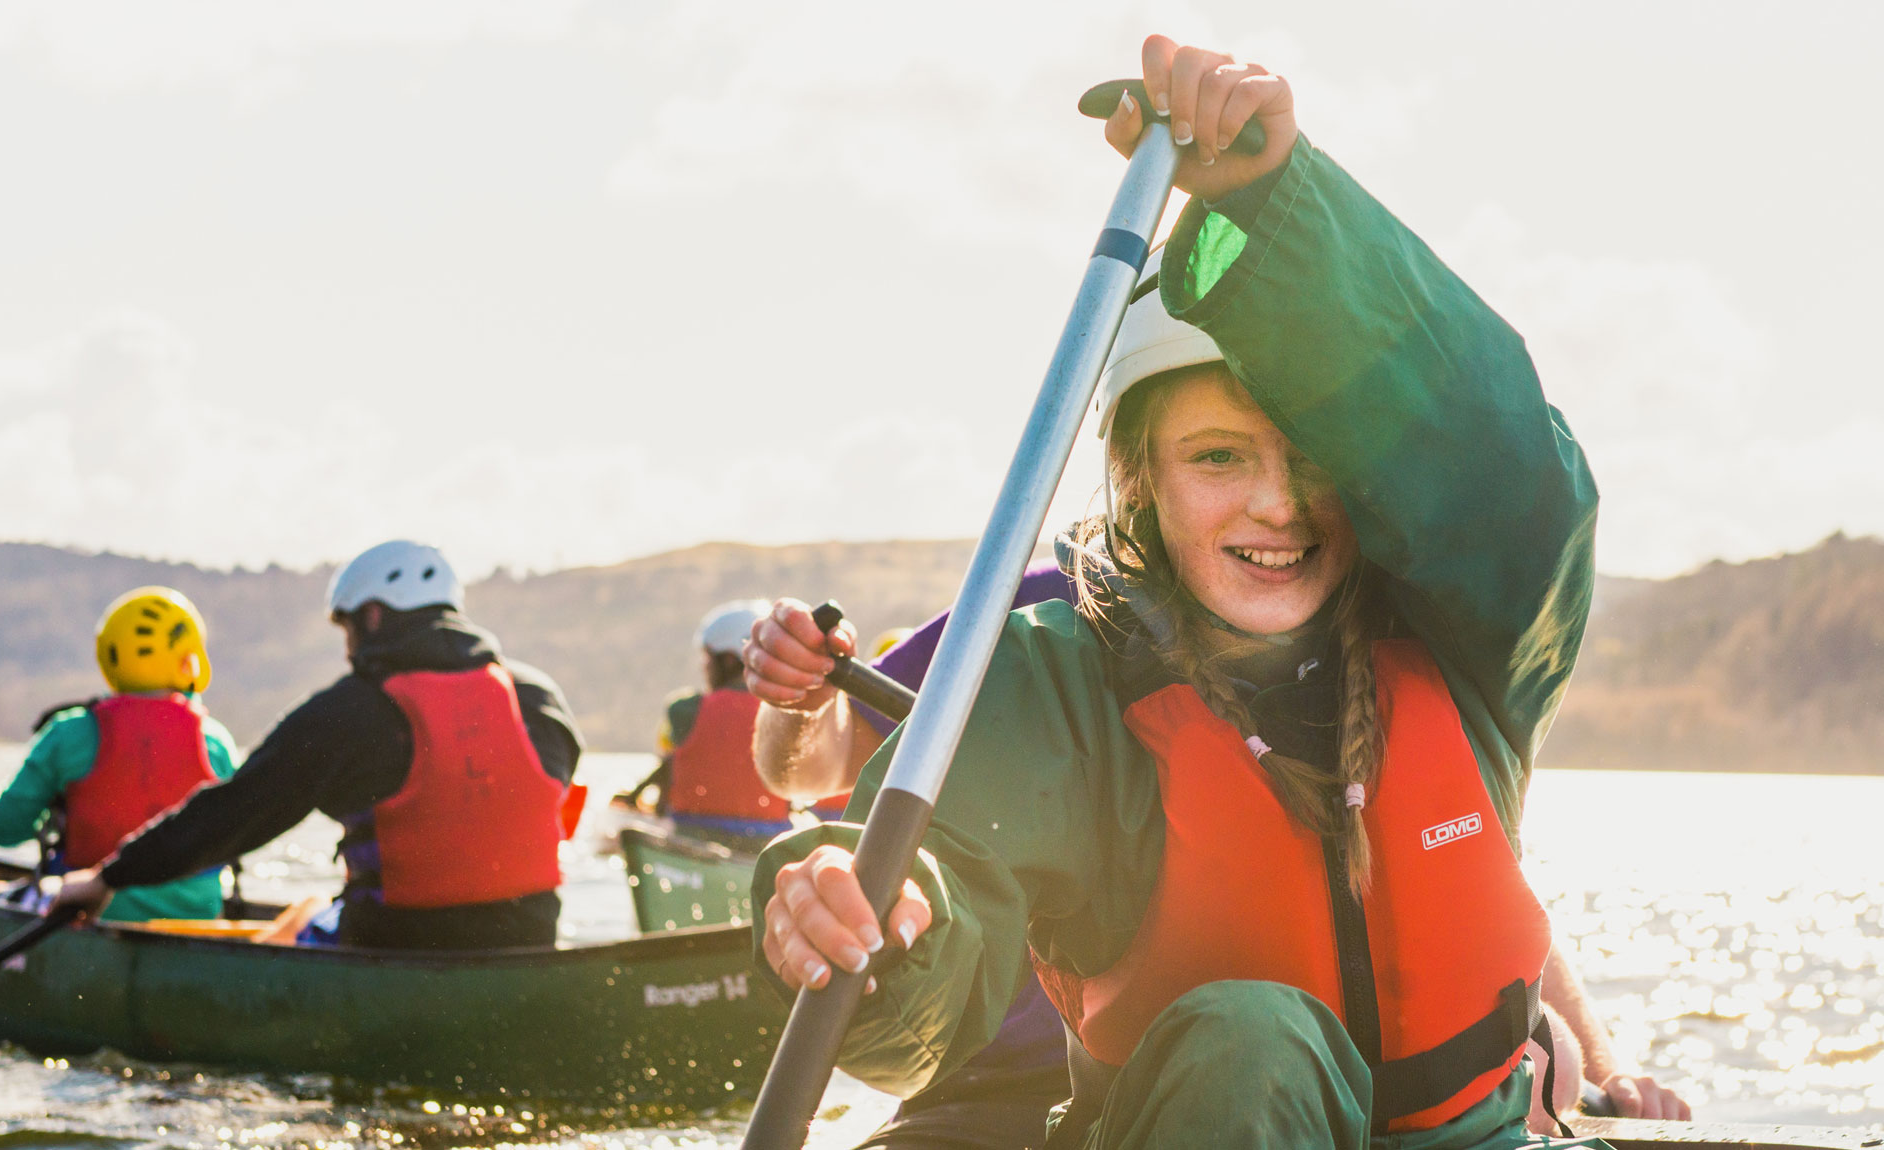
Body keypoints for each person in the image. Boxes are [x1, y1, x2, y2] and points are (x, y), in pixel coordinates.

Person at [755, 37, 1669, 1148]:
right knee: (1252, 1037)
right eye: (1220, 458)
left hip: (1475, 1133)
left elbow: (1512, 475)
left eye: (1316, 458)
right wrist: (888, 932)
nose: (1277, 506)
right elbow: (933, 955)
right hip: (1208, 1120)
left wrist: (1276, 207)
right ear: (1141, 478)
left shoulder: (1462, 627)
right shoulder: (1054, 681)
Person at [51, 540, 583, 950]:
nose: (349, 648)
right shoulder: (538, 697)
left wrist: (109, 878)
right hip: (529, 938)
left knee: (298, 920)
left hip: (393, 945)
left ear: (372, 617)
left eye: (348, 628)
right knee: (310, 907)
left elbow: (237, 812)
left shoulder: (351, 710)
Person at [743, 572, 1081, 1150]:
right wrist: (801, 699)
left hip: (1225, 1081)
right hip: (981, 1089)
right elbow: (807, 770)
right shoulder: (1031, 603)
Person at [0, 586, 240, 923]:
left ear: (109, 657)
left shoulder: (68, 731)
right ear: (189, 656)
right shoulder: (215, 740)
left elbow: (2, 830)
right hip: (196, 918)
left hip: (86, 912)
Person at [629, 599, 820, 845]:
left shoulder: (684, 709)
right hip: (766, 841)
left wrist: (636, 797)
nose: (704, 668)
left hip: (693, 836)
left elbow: (670, 767)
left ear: (729, 660)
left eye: (708, 659)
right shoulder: (789, 713)